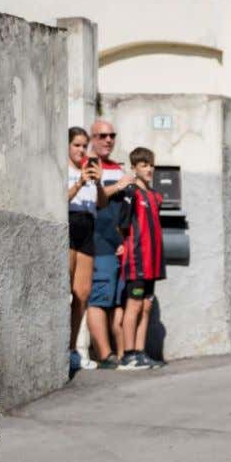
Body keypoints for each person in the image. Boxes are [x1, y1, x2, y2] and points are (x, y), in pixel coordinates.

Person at [87, 119, 136, 367]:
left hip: (120, 245)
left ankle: (117, 354)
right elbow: (91, 199)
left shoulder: (116, 167)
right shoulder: (90, 166)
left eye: (112, 136)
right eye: (102, 136)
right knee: (98, 298)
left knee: (116, 301)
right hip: (100, 244)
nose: (108, 140)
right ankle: (104, 355)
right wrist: (118, 185)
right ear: (92, 139)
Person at [118, 147, 166, 370]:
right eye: (144, 165)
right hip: (137, 260)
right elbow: (121, 224)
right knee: (134, 305)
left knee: (146, 306)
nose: (149, 169)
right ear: (134, 168)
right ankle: (128, 354)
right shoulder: (131, 193)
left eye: (151, 164)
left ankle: (140, 352)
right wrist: (121, 245)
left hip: (153, 263)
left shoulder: (155, 196)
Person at [66, 126, 106, 373]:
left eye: (84, 145)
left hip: (88, 227)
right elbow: (62, 199)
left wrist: (97, 182)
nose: (81, 150)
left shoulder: (90, 170)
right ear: (68, 146)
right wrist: (80, 181)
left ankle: (72, 349)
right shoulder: (67, 171)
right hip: (70, 224)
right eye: (76, 145)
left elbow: (101, 204)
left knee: (82, 294)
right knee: (66, 291)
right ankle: (62, 346)